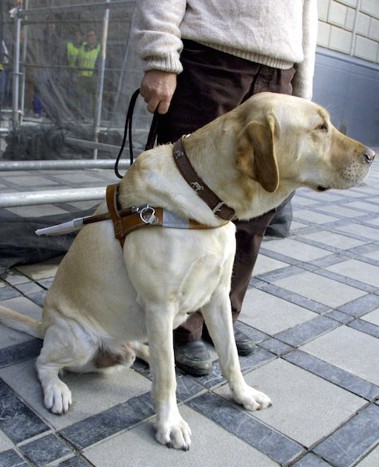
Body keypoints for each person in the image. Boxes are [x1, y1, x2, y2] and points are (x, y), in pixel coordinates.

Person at [133, 0, 318, 376]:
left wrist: (301, 90)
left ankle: (223, 320)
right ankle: (180, 330)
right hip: (209, 62)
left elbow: (306, 11)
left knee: (256, 208)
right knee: (185, 201)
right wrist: (160, 57)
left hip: (279, 71)